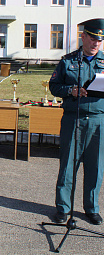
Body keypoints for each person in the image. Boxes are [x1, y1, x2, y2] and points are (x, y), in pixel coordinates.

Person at [49, 18, 104, 226]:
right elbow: (54, 86)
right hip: (74, 120)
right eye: (92, 39)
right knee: (68, 166)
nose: (96, 44)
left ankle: (91, 209)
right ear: (83, 37)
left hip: (99, 121)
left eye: (100, 40)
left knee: (96, 167)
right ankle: (63, 208)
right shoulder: (68, 61)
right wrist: (71, 90)